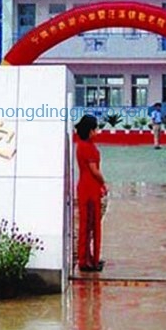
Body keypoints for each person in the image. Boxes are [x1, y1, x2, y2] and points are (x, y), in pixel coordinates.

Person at [75, 114, 108, 273]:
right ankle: (86, 260)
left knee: (87, 224)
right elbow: (94, 170)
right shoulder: (87, 147)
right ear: (90, 131)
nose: (97, 132)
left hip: (86, 186)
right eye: (95, 129)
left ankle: (88, 257)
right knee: (90, 224)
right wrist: (103, 183)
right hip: (90, 188)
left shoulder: (82, 145)